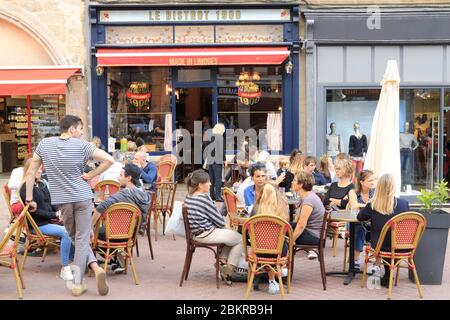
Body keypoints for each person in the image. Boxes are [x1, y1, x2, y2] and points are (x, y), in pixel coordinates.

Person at [25, 115, 115, 297]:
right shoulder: (83, 146)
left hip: (63, 200)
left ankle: (78, 282)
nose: (82, 133)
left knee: (76, 237)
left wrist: (29, 198)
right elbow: (109, 160)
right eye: (81, 129)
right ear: (72, 129)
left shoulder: (44, 144)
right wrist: (91, 175)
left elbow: (30, 171)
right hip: (83, 197)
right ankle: (93, 270)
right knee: (80, 238)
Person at [184, 169, 243, 285]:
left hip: (196, 234)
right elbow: (219, 220)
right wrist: (227, 228)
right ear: (200, 185)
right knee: (240, 238)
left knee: (232, 237)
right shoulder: (204, 198)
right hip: (206, 234)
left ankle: (221, 262)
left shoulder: (189, 197)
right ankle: (229, 269)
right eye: (208, 182)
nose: (210, 184)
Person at [20, 162, 74, 281]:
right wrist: (54, 214)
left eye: (40, 168)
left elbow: (50, 202)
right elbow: (34, 212)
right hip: (38, 225)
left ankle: (72, 261)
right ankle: (65, 268)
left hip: (48, 221)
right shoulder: (25, 188)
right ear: (29, 171)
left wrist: (59, 212)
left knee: (75, 226)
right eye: (36, 169)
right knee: (66, 232)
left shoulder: (40, 184)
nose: (39, 171)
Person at [91, 164, 151, 272]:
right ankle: (117, 257)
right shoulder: (142, 192)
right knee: (102, 231)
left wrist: (90, 227)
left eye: (121, 175)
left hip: (115, 234)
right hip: (132, 234)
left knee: (93, 233)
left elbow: (101, 207)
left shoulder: (124, 194)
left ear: (129, 178)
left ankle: (91, 263)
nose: (118, 177)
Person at [357, 174, 410, 287]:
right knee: (390, 238)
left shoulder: (373, 205)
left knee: (383, 238)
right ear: (393, 187)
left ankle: (386, 274)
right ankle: (388, 274)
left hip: (380, 246)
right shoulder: (404, 204)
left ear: (379, 187)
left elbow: (360, 217)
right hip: (402, 245)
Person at [255, 183, 290, 294]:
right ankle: (279, 272)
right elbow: (287, 229)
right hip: (278, 252)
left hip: (259, 251)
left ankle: (272, 280)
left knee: (261, 244)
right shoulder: (282, 210)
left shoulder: (256, 209)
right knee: (283, 243)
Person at [290, 171, 326, 260]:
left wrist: (291, 240)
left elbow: (301, 225)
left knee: (280, 233)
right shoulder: (305, 197)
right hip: (310, 233)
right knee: (282, 229)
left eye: (294, 180)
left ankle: (277, 266)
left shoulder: (309, 200)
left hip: (313, 236)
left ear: (301, 184)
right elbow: (296, 221)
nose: (292, 182)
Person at [352, 170, 377, 271]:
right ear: (361, 182)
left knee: (380, 229)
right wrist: (369, 206)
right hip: (356, 222)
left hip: (371, 223)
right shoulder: (354, 192)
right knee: (360, 229)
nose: (372, 182)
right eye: (370, 180)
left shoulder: (375, 192)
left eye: (373, 180)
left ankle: (376, 263)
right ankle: (355, 260)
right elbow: (354, 206)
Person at [204, 123, 228, 202]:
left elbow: (205, 149)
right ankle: (218, 196)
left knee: (212, 179)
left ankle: (212, 195)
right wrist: (225, 160)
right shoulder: (220, 137)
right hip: (217, 160)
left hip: (210, 160)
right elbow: (221, 150)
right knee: (218, 179)